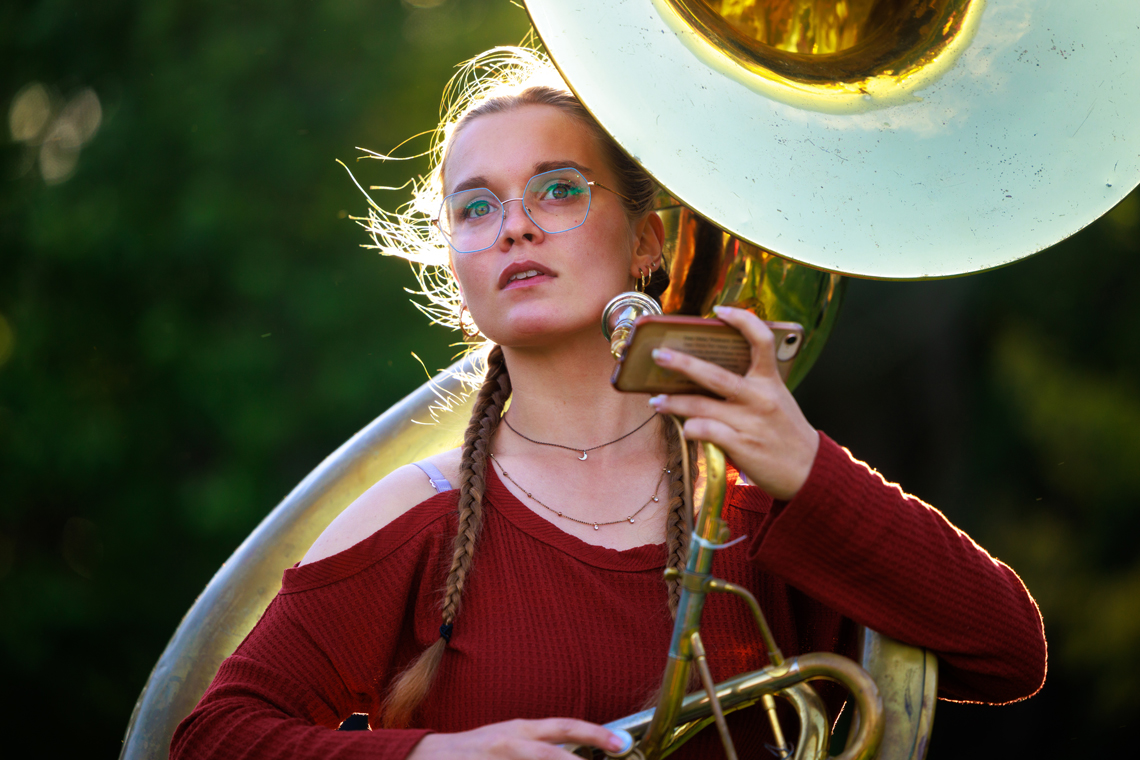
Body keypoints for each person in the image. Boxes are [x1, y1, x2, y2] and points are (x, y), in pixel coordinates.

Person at [171, 48, 1046, 760]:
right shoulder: (416, 514)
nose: (513, 224)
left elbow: (1007, 652)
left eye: (558, 189)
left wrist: (810, 470)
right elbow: (209, 740)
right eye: (475, 208)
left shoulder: (759, 500)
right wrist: (436, 758)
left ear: (647, 242)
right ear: (459, 269)